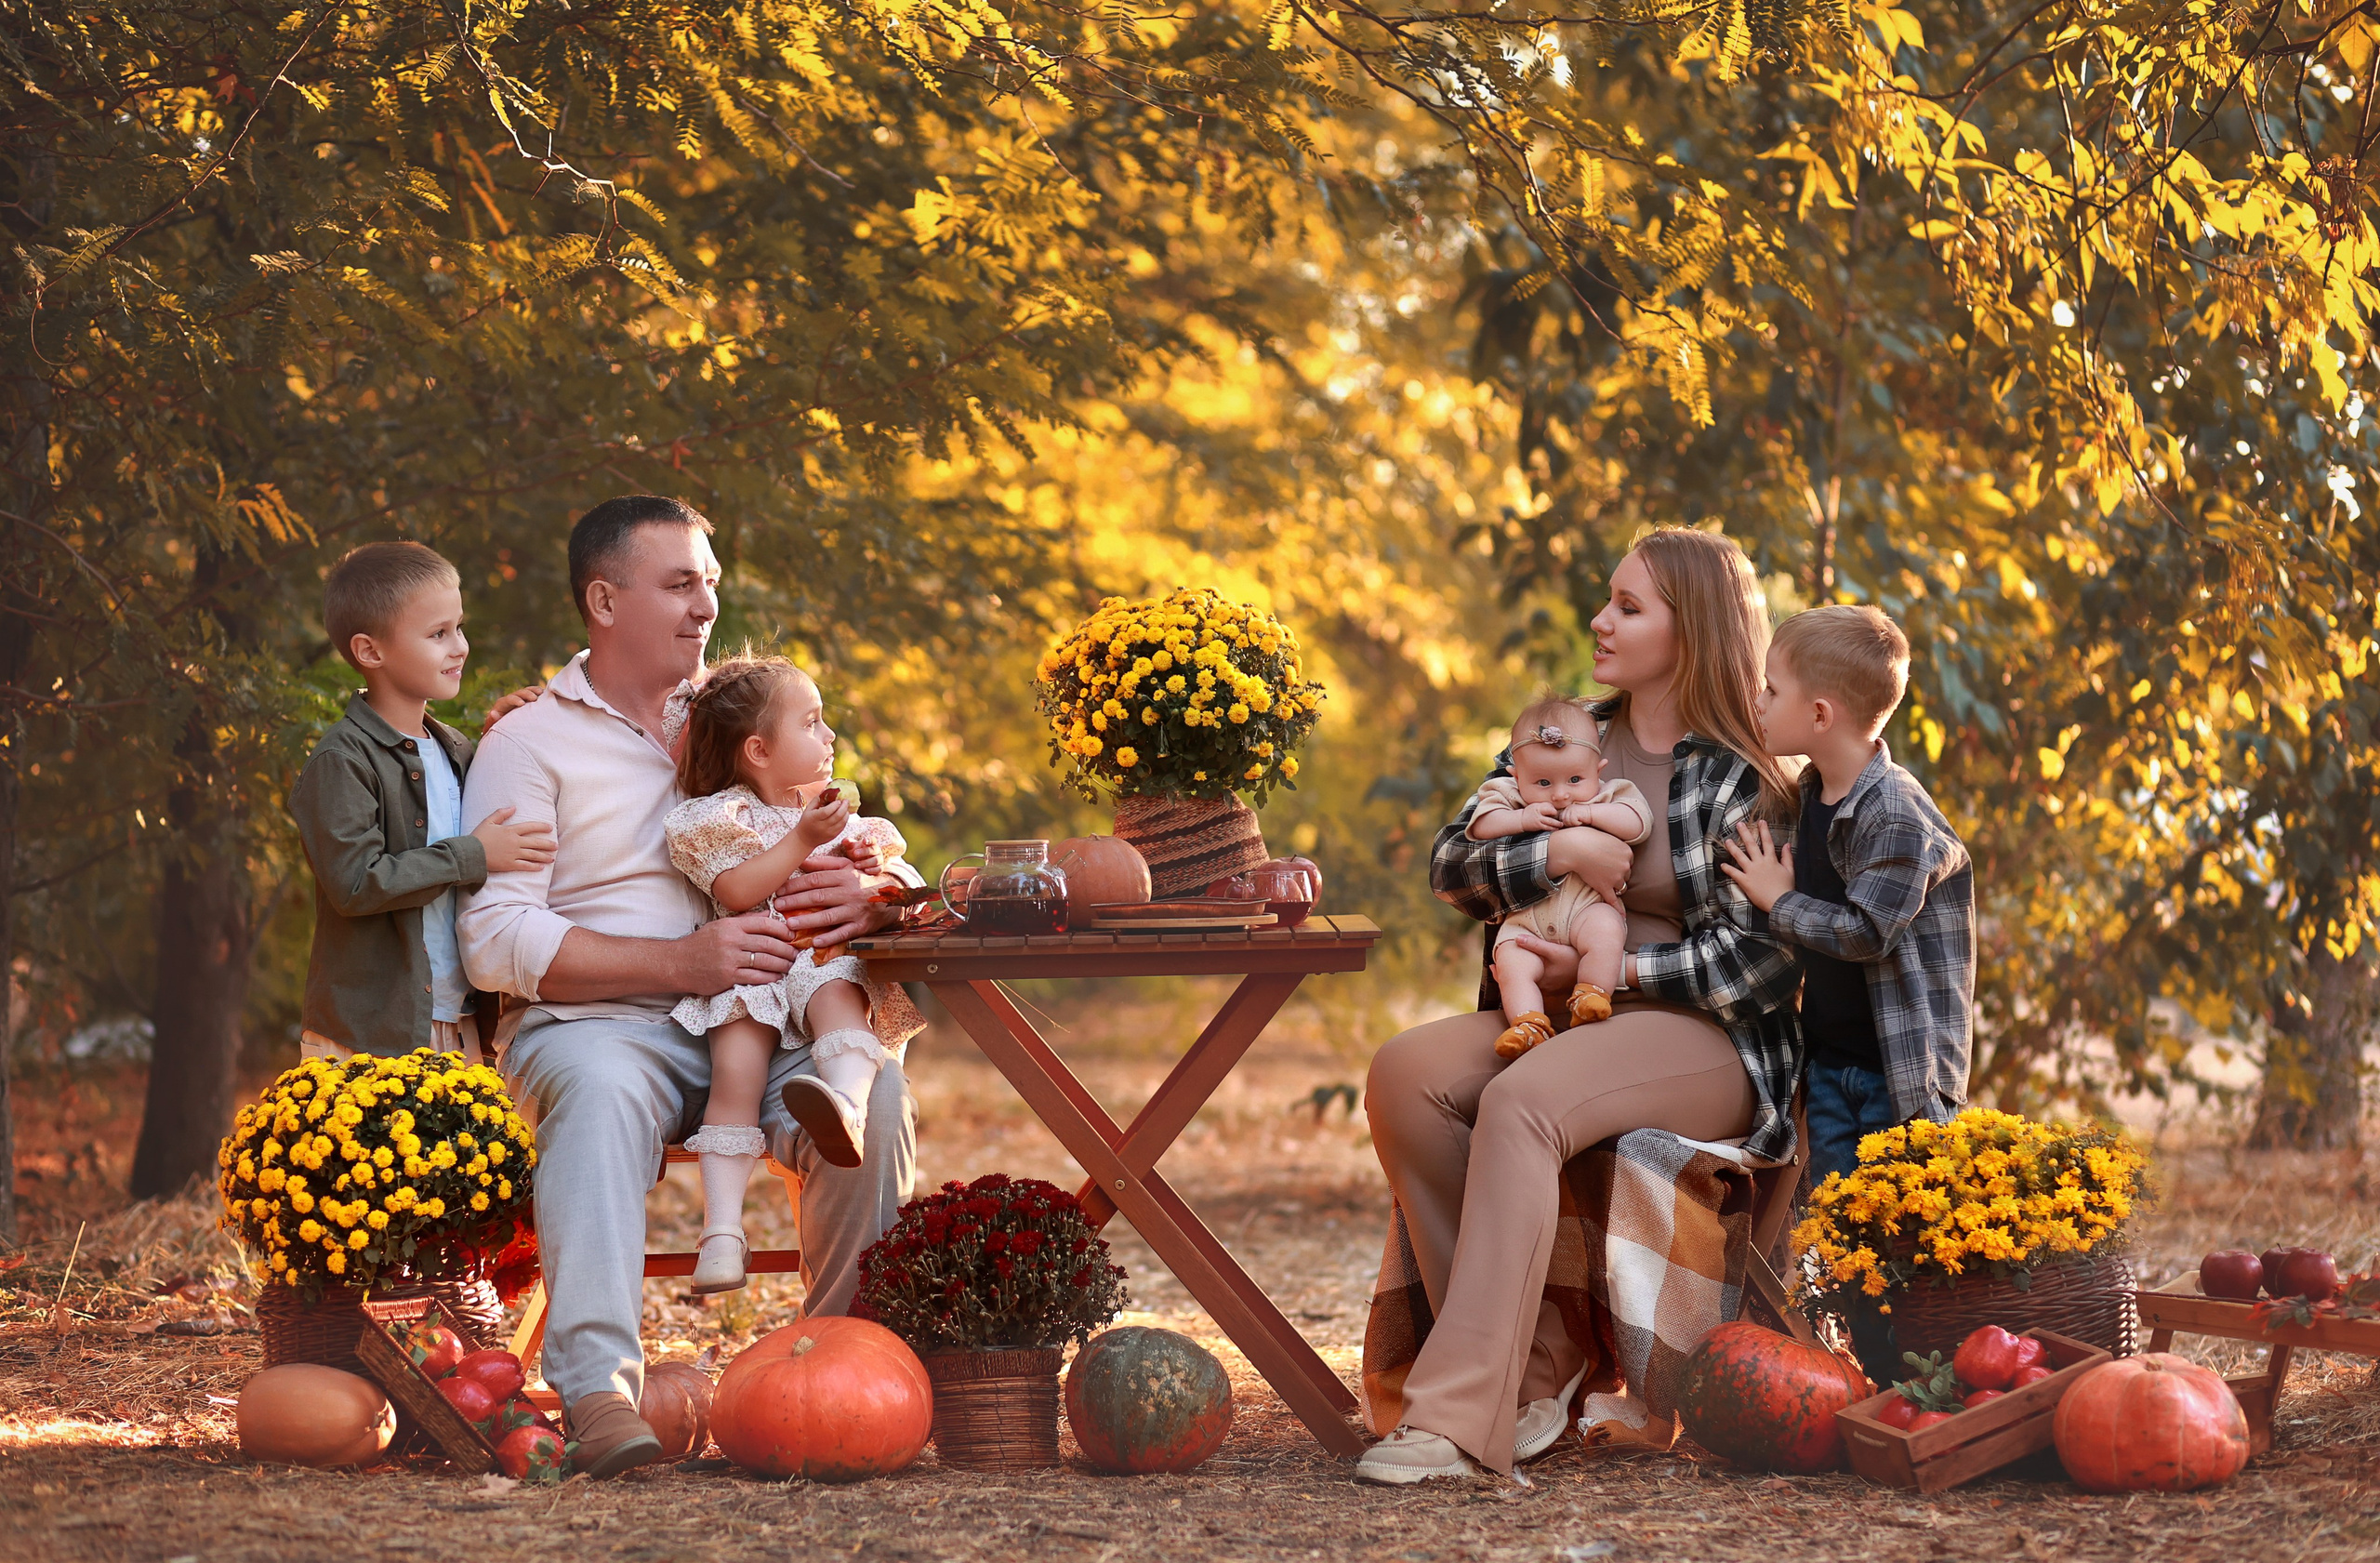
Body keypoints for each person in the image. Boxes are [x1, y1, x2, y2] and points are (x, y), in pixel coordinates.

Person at [457, 496, 923, 1479]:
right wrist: (679, 963)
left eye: (709, 582)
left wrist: (880, 898)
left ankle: (853, 1368)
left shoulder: (745, 713)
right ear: (603, 600)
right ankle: (598, 1396)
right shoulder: (528, 742)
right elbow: (494, 939)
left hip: (771, 1016)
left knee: (874, 1092)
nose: (705, 605)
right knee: (599, 1088)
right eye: (679, 584)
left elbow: (868, 838)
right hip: (602, 1022)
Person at [1355, 527, 1804, 1484]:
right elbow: (1454, 864)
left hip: (1706, 1041)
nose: (1601, 620)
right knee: (1404, 1075)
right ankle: (1532, 1369)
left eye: (1628, 607)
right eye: (1609, 598)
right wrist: (1559, 852)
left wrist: (1622, 971)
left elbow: (1763, 962)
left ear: (1692, 630)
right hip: (1562, 1013)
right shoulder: (1566, 737)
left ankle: (1455, 1422)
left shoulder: (1741, 775)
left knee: (1523, 1098)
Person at [664, 654, 924, 1293]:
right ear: (758, 750)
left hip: (816, 960)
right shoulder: (722, 816)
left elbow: (906, 883)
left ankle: (848, 1107)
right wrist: (804, 839)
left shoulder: (839, 815)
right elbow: (737, 888)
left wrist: (869, 867)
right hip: (751, 973)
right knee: (735, 1074)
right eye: (811, 722)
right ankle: (722, 1235)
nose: (829, 735)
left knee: (838, 994)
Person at [1719, 603, 1974, 1185]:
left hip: (1899, 1071)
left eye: (1771, 690)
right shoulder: (1812, 792)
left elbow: (1867, 932)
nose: (1758, 701)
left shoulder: (1895, 814)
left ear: (1819, 714)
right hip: (1831, 1063)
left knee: (1892, 1219)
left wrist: (1779, 901)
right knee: (1835, 1215)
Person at [290, 542, 555, 1060]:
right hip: (369, 1036)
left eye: (459, 628)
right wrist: (472, 855)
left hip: (461, 1024)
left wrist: (504, 739)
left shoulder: (457, 751)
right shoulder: (342, 760)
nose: (460, 647)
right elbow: (356, 883)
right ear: (370, 652)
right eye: (438, 634)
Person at [1461, 695, 1652, 1056]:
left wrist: (1592, 816)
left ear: (1599, 769)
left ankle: (1591, 993)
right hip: (1526, 920)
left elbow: (1638, 822)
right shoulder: (1512, 796)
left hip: (1585, 909)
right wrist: (1521, 818)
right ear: (1516, 776)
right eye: (1543, 782)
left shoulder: (1607, 794)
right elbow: (1480, 825)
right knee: (1512, 963)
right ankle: (1528, 1024)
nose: (1562, 795)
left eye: (1575, 779)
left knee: (1607, 931)